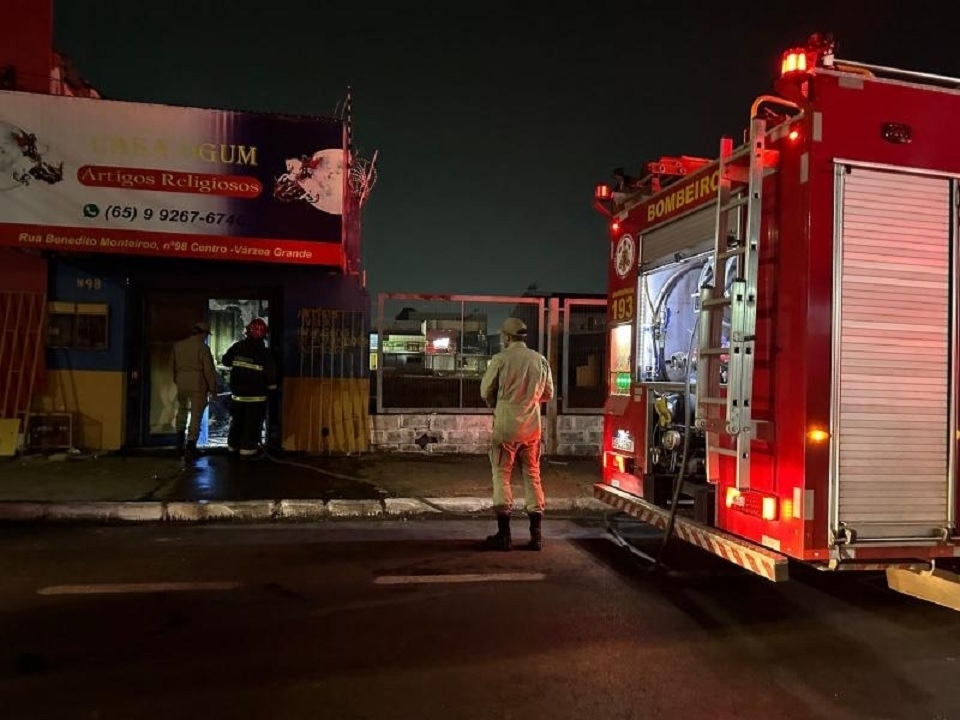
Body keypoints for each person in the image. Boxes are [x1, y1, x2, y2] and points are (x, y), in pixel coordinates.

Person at [479, 317, 555, 551]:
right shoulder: (539, 360)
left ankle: (504, 535)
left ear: (507, 337)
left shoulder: (501, 359)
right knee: (532, 475)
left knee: (501, 474)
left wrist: (499, 403)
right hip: (531, 426)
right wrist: (529, 402)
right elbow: (548, 393)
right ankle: (537, 536)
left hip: (505, 426)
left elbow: (485, 390)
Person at [222, 318, 277, 459]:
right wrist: (273, 391)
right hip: (256, 399)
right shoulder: (264, 353)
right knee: (251, 426)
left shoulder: (237, 347)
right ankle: (248, 453)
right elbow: (271, 377)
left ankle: (232, 449)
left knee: (236, 424)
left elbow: (225, 361)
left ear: (247, 331)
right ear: (264, 335)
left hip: (237, 397)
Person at [172, 321, 217, 460]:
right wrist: (212, 388)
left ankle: (178, 444)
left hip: (181, 382)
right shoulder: (203, 348)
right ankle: (191, 447)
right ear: (202, 334)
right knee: (196, 416)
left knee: (182, 410)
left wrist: (177, 380)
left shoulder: (178, 346)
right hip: (197, 384)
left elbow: (172, 366)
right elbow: (209, 371)